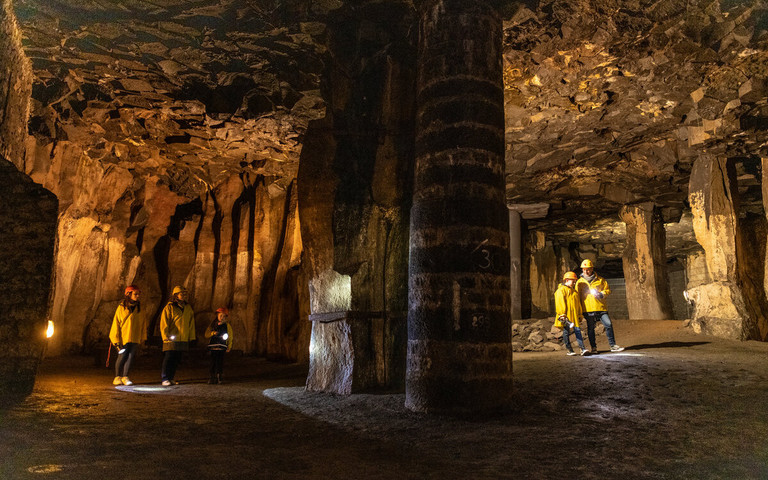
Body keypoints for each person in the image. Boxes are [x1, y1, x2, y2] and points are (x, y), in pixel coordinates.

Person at [576, 259, 625, 354]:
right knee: (590, 329)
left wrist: (601, 294)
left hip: (601, 307)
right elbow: (577, 296)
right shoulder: (579, 283)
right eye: (584, 269)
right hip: (588, 309)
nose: (586, 271)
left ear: (592, 269)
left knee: (608, 324)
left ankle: (613, 345)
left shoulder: (600, 280)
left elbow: (607, 290)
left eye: (588, 269)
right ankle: (594, 348)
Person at [109, 285, 146, 386]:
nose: (137, 296)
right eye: (135, 294)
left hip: (134, 336)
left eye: (138, 294)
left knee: (130, 356)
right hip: (123, 337)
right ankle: (117, 377)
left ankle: (125, 376)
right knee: (122, 356)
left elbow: (143, 323)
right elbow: (116, 323)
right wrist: (115, 339)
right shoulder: (121, 307)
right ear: (128, 294)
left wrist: (143, 337)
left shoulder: (140, 308)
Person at [160, 285, 196, 386]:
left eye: (185, 294)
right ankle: (164, 378)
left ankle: (171, 377)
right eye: (181, 294)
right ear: (176, 295)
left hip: (183, 337)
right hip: (171, 338)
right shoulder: (169, 307)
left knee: (176, 359)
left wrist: (191, 337)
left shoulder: (188, 308)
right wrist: (165, 336)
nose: (184, 295)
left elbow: (191, 323)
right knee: (169, 357)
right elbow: (164, 322)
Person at [555, 271, 589, 356]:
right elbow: (560, 303)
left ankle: (582, 349)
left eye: (575, 280)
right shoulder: (561, 290)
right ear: (566, 280)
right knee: (566, 332)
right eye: (572, 280)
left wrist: (580, 314)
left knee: (577, 331)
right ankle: (569, 350)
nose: (574, 282)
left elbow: (578, 305)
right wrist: (562, 314)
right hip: (566, 316)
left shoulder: (574, 292)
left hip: (574, 316)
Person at [205, 307, 233, 384]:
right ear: (217, 315)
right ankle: (212, 377)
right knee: (212, 362)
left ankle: (219, 376)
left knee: (220, 362)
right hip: (213, 347)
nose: (222, 317)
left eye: (224, 316)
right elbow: (206, 334)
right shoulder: (212, 325)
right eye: (220, 315)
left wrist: (229, 346)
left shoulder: (227, 326)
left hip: (222, 347)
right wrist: (212, 333)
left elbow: (230, 336)